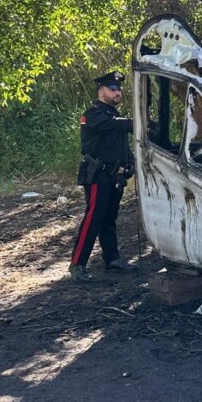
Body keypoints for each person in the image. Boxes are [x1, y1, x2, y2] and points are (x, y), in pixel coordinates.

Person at [68, 70, 136, 281]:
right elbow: (113, 127)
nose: (118, 92)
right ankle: (77, 263)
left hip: (114, 177)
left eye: (119, 89)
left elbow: (122, 144)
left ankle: (112, 258)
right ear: (101, 91)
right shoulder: (94, 114)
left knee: (109, 219)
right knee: (93, 218)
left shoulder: (115, 116)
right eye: (113, 88)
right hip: (98, 175)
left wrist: (130, 162)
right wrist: (138, 121)